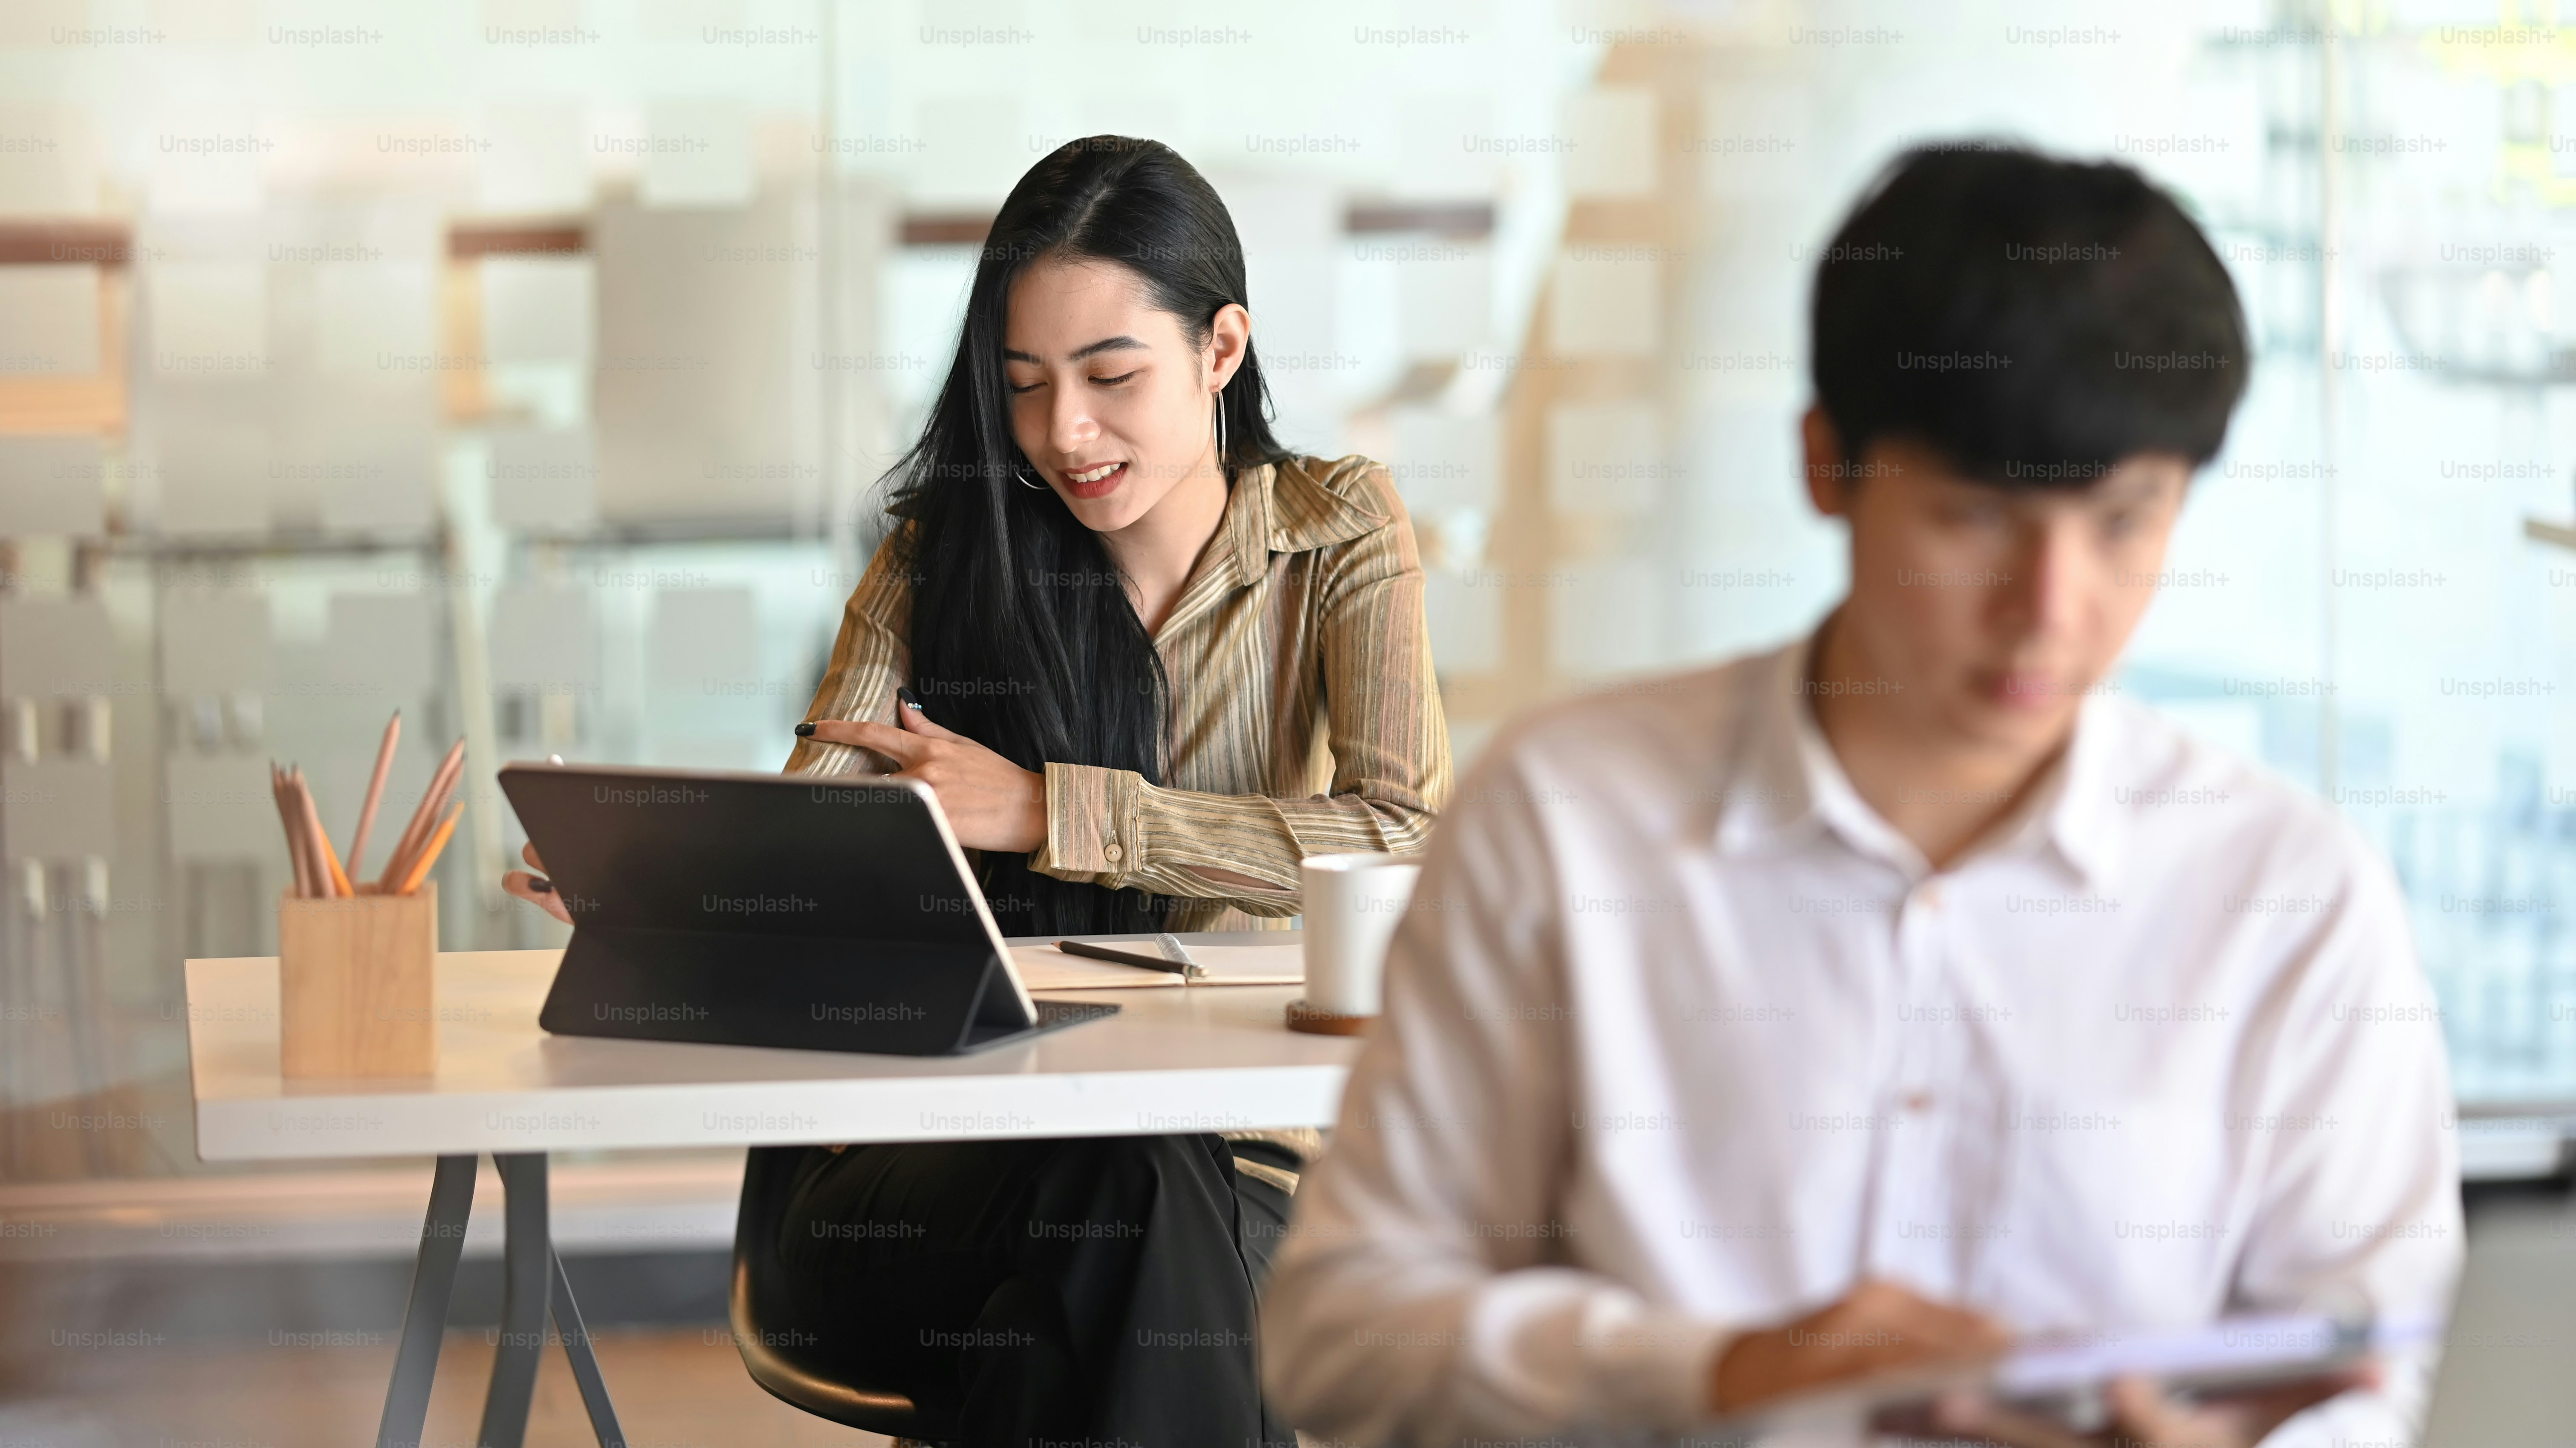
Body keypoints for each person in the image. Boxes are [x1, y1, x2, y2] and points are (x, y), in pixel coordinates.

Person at [1260, 143, 2461, 1448]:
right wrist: (1714, 1373)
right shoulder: (1567, 819)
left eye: (2124, 522)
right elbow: (1343, 1336)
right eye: (1975, 518)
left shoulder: (2289, 896)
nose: (2049, 614)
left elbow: (2355, 1380)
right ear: (1827, 464)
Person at [505, 136, 1450, 1446]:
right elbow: (819, 817)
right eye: (1024, 384)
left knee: (1085, 1282)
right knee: (1125, 1207)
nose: (1066, 432)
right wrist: (680, 883)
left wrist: (1050, 811)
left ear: (1222, 350)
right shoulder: (945, 559)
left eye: (1112, 376)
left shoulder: (1336, 529)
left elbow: (1402, 836)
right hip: (914, 1183)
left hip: (1234, 1182)